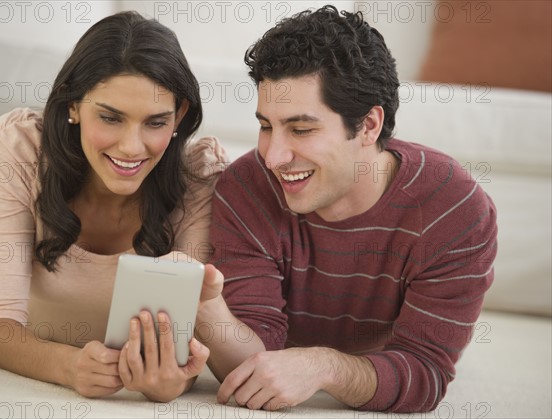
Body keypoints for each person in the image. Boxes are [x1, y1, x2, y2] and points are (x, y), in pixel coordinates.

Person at [196, 5, 498, 413]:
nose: (273, 156)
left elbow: (425, 373)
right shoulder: (246, 187)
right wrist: (203, 304)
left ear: (370, 125)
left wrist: (326, 367)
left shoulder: (454, 210)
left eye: (301, 129)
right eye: (267, 126)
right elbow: (254, 358)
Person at [0, 11, 226, 402]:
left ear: (180, 115)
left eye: (155, 122)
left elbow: (184, 336)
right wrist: (67, 366)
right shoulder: (19, 147)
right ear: (73, 104)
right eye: (110, 117)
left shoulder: (198, 173)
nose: (131, 147)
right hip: (25, 274)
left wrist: (174, 381)